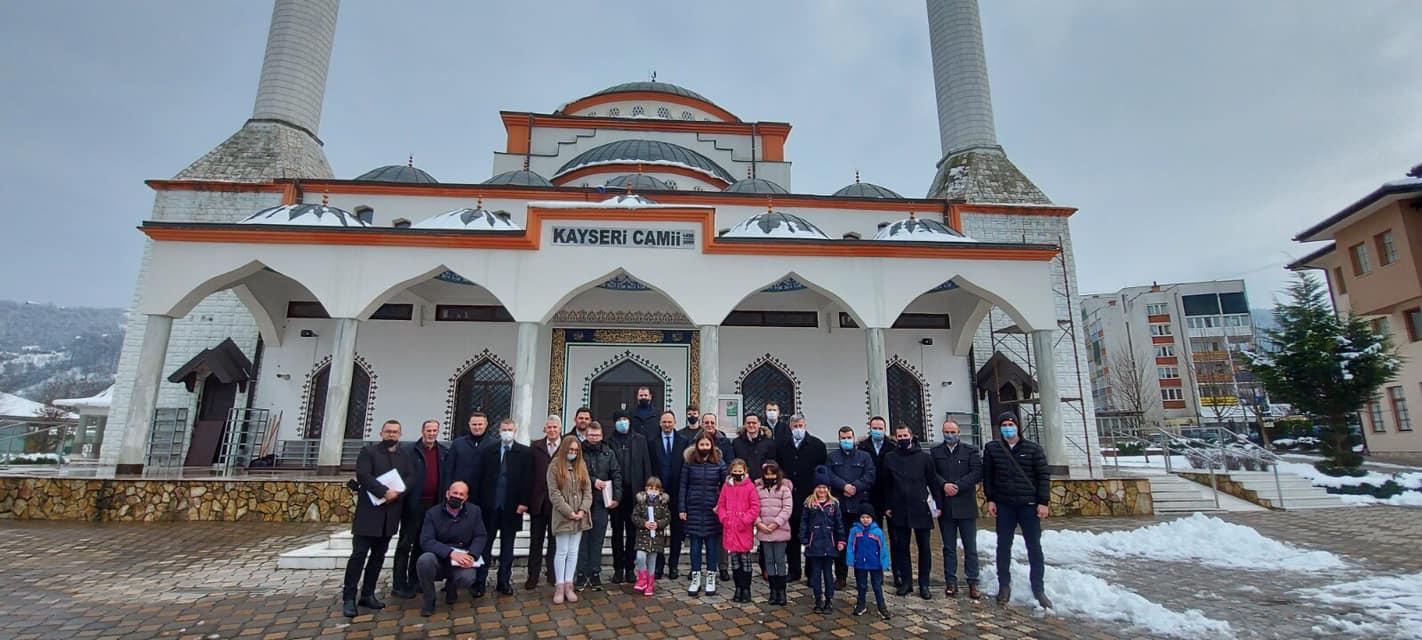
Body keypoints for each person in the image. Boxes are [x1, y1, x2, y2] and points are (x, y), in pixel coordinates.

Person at [342, 419, 414, 617]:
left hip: (390, 515)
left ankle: (368, 594)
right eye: (388, 431)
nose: (392, 435)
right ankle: (349, 597)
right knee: (358, 556)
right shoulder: (369, 452)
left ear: (400, 434)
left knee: (378, 557)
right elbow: (363, 475)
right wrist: (383, 491)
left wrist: (397, 493)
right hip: (369, 514)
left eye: (395, 432)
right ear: (381, 433)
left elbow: (410, 477)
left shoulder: (404, 455)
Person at [982, 412, 1053, 608]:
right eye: (1003, 425)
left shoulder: (1033, 449)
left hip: (1028, 506)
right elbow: (988, 476)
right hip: (1005, 505)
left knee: (1034, 547)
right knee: (1003, 546)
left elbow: (1043, 476)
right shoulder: (993, 449)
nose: (1007, 428)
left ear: (1017, 426)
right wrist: (991, 499)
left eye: (1010, 424)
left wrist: (1043, 502)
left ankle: (1038, 588)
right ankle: (1004, 585)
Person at [472, 418, 532, 597]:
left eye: (510, 429)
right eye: (504, 429)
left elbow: (527, 480)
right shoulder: (488, 451)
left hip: (511, 507)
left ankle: (503, 581)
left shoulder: (524, 452)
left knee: (508, 546)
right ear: (499, 431)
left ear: (516, 431)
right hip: (489, 506)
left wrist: (523, 502)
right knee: (485, 545)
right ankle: (479, 581)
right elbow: (479, 478)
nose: (507, 432)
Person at [882, 425, 942, 600]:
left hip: (921, 507)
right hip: (899, 508)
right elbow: (886, 484)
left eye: (905, 435)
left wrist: (938, 504)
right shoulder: (890, 458)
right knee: (902, 548)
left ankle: (924, 584)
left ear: (912, 436)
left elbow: (932, 481)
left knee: (924, 548)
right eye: (899, 436)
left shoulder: (924, 458)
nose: (902, 438)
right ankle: (906, 582)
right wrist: (887, 505)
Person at [392, 419, 449, 600]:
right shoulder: (410, 451)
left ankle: (415, 580)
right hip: (413, 505)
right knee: (405, 544)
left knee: (422, 544)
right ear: (422, 431)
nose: (431, 433)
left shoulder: (443, 452)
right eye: (428, 430)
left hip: (432, 506)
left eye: (434, 430)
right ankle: (399, 584)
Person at [414, 480, 487, 616]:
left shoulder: (474, 511)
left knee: (468, 578)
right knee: (424, 560)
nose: (457, 496)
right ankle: (429, 599)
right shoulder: (432, 513)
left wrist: (472, 555)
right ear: (447, 494)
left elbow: (480, 536)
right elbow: (426, 540)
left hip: (462, 557)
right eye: (455, 493)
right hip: (439, 556)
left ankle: (452, 586)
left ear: (466, 498)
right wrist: (450, 553)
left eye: (461, 494)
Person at [817, 425, 875, 590]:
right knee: (840, 542)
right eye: (843, 438)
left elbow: (870, 475)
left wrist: (855, 486)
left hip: (859, 505)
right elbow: (829, 475)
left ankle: (860, 576)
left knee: (860, 542)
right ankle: (841, 576)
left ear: (854, 438)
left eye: (849, 437)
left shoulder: (864, 457)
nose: (846, 440)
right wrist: (844, 486)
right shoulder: (832, 457)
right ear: (839, 439)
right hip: (839, 505)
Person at [930, 419, 983, 599]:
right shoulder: (936, 452)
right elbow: (932, 473)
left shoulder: (970, 451)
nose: (949, 434)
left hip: (966, 504)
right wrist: (944, 485)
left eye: (953, 431)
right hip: (946, 506)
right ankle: (950, 581)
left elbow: (976, 473)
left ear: (959, 432)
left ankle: (973, 581)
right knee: (949, 547)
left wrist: (958, 486)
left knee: (970, 546)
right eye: (946, 431)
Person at [775, 413, 825, 582]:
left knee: (811, 534)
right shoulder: (781, 445)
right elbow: (777, 467)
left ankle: (812, 572)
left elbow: (822, 471)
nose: (798, 429)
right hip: (789, 497)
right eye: (795, 426)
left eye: (800, 426)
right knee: (793, 536)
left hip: (810, 496)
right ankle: (794, 570)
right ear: (790, 427)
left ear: (805, 425)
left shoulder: (817, 445)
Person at [576, 422, 623, 592]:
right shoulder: (578, 451)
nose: (594, 438)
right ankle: (581, 573)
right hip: (581, 501)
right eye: (591, 435)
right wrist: (594, 481)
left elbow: (616, 473)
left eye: (597, 435)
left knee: (597, 538)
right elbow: (575, 472)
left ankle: (595, 573)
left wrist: (616, 497)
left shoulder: (608, 452)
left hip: (601, 502)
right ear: (586, 435)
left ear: (601, 435)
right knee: (582, 538)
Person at [679, 432, 726, 596]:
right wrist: (682, 508)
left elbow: (727, 485)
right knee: (695, 546)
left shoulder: (719, 463)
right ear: (697, 446)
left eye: (707, 445)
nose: (704, 448)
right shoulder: (689, 463)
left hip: (712, 510)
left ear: (711, 446)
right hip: (694, 508)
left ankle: (711, 577)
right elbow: (683, 486)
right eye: (702, 445)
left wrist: (722, 506)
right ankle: (696, 576)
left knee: (712, 546)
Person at [607, 409, 651, 585]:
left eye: (625, 419)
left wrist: (647, 493)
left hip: (635, 494)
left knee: (633, 533)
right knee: (617, 533)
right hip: (617, 495)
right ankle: (618, 569)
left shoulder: (640, 440)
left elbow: (646, 465)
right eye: (619, 419)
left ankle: (630, 568)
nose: (623, 422)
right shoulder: (609, 442)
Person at [548, 436, 593, 604]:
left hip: (579, 516)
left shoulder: (581, 466)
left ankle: (569, 584)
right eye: (570, 450)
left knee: (574, 551)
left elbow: (587, 490)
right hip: (563, 515)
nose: (573, 453)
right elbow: (554, 493)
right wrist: (569, 511)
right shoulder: (554, 467)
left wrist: (582, 509)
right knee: (562, 551)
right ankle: (559, 585)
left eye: (576, 451)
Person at [646, 410, 688, 579]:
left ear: (675, 422)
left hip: (678, 492)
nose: (667, 425)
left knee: (677, 531)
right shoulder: (652, 442)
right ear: (660, 423)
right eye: (664, 422)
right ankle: (659, 565)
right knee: (659, 530)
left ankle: (673, 565)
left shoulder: (684, 441)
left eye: (670, 422)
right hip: (659, 493)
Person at [525, 416, 562, 590]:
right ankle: (533, 575)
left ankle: (553, 574)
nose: (552, 430)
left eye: (555, 427)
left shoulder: (566, 447)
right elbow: (528, 474)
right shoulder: (536, 447)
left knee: (555, 542)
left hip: (557, 503)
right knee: (536, 541)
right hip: (538, 502)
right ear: (545, 429)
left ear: (560, 429)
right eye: (549, 427)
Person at [857, 416, 894, 587]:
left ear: (885, 429)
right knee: (871, 536)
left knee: (895, 538)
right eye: (874, 427)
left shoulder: (892, 447)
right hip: (870, 496)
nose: (877, 430)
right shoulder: (863, 447)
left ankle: (897, 573)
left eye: (880, 427)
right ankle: (872, 571)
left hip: (890, 497)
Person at [717, 457, 761, 603]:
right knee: (735, 562)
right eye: (735, 471)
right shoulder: (727, 486)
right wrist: (724, 518)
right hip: (730, 528)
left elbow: (755, 507)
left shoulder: (750, 487)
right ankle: (738, 588)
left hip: (743, 528)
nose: (737, 473)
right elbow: (721, 504)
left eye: (739, 471)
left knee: (745, 561)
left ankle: (746, 588)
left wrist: (745, 520)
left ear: (744, 471)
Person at [800, 482, 844, 614]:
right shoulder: (809, 504)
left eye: (824, 487)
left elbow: (839, 524)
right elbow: (804, 522)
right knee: (816, 575)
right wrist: (804, 539)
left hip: (829, 545)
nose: (822, 490)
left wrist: (841, 540)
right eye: (819, 487)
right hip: (814, 545)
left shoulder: (834, 504)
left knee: (828, 574)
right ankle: (818, 599)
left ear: (828, 489)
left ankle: (829, 599)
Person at [755, 461, 794, 606]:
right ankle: (773, 591)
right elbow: (754, 508)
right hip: (764, 530)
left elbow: (787, 509)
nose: (769, 476)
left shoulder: (784, 489)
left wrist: (775, 523)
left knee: (780, 561)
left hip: (779, 530)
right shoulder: (758, 490)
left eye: (772, 474)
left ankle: (782, 591)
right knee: (769, 561)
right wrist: (759, 523)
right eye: (767, 474)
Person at [846, 508, 891, 620]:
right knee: (861, 585)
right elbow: (850, 546)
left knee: (877, 586)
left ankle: (882, 607)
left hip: (875, 564)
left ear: (872, 518)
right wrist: (851, 559)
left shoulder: (877, 532)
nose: (865, 520)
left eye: (868, 518)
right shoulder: (855, 531)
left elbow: (883, 548)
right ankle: (861, 605)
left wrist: (884, 562)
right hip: (860, 563)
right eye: (863, 517)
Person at [629, 475, 671, 596]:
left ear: (660, 491)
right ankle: (642, 577)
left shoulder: (663, 505)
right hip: (643, 536)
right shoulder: (641, 504)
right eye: (650, 488)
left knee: (652, 560)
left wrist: (658, 524)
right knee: (640, 557)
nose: (653, 491)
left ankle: (650, 583)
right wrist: (644, 523)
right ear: (646, 489)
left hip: (656, 538)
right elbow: (634, 517)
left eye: (656, 489)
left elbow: (667, 518)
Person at [449, 412, 492, 489]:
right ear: (469, 424)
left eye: (480, 424)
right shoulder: (458, 444)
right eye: (474, 424)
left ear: (486, 424)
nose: (477, 427)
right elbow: (449, 469)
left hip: (485, 491)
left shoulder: (494, 445)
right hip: (460, 491)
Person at [731, 414, 777, 479]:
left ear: (759, 424)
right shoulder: (736, 443)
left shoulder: (769, 443)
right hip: (742, 482)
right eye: (748, 423)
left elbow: (772, 464)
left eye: (754, 423)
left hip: (762, 482)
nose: (751, 425)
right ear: (745, 424)